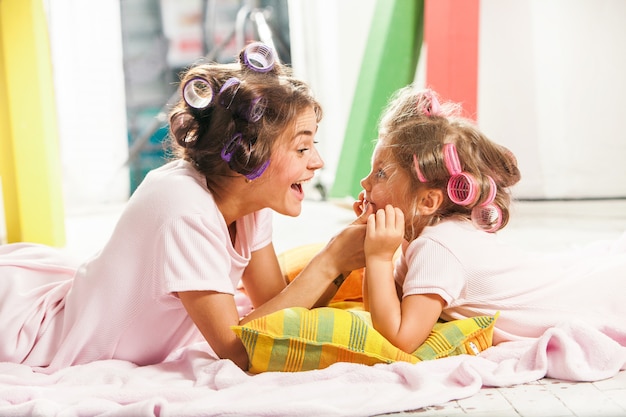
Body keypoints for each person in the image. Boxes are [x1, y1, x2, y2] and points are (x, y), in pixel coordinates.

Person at [0, 42, 371, 373]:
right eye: (303, 148)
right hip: (36, 333)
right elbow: (239, 351)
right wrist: (330, 261)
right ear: (249, 157)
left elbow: (280, 309)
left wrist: (344, 256)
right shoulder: (184, 209)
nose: (318, 162)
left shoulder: (250, 203)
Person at [354, 85, 626, 354]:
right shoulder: (424, 238)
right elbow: (384, 309)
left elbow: (401, 340)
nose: (364, 182)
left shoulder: (437, 248)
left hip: (599, 299)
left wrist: (377, 259)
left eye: (381, 174)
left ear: (428, 202)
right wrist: (373, 250)